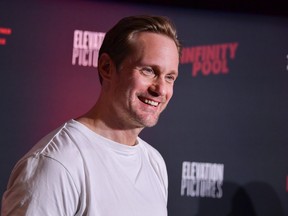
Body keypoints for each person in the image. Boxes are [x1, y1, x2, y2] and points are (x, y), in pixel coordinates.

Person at [1, 14, 181, 215]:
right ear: (107, 68)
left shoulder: (154, 163)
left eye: (170, 77)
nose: (160, 89)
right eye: (148, 71)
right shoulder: (57, 163)